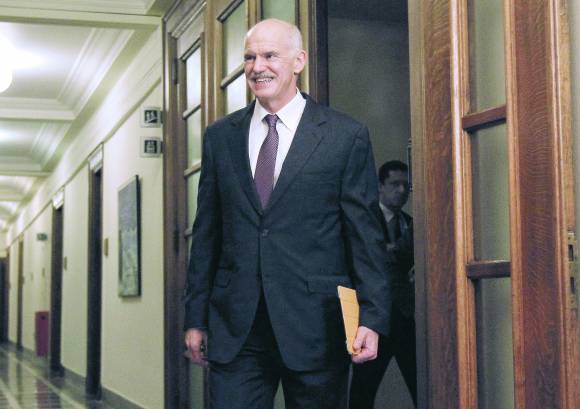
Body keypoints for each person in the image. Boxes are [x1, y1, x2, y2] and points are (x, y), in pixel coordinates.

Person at [183, 18, 392, 409]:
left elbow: (365, 236)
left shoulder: (344, 136)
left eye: (269, 56)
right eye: (250, 57)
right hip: (236, 327)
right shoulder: (220, 137)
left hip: (317, 326)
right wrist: (195, 317)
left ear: (299, 61)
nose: (257, 67)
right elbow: (207, 233)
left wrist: (372, 317)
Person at [349, 160, 417, 408]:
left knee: (421, 384)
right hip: (374, 319)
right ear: (380, 186)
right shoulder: (366, 221)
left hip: (406, 316)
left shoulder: (410, 223)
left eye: (405, 185)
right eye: (395, 184)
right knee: (363, 390)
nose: (401, 190)